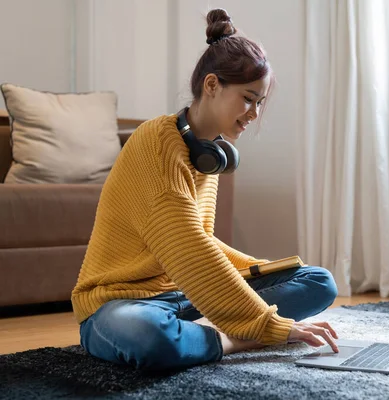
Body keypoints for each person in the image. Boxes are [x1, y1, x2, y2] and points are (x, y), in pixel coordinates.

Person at [71, 8, 339, 371]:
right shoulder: (156, 143)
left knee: (318, 281)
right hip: (120, 304)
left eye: (259, 102)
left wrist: (258, 271)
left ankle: (207, 334)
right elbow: (188, 247)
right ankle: (232, 339)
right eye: (248, 98)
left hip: (184, 295)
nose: (254, 114)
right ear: (212, 86)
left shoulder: (206, 155)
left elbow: (201, 242)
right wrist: (268, 326)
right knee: (150, 336)